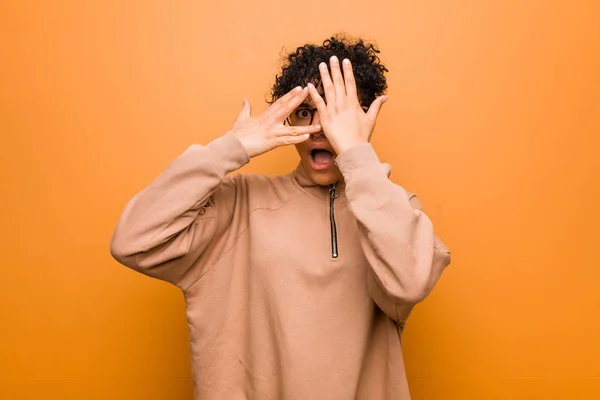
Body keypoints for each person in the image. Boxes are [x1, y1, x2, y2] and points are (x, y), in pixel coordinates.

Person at [110, 35, 451, 400]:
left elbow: (410, 283)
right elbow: (133, 241)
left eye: (337, 114)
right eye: (306, 112)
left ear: (363, 122)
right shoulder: (240, 204)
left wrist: (356, 152)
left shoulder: (394, 210)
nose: (320, 127)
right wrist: (229, 149)